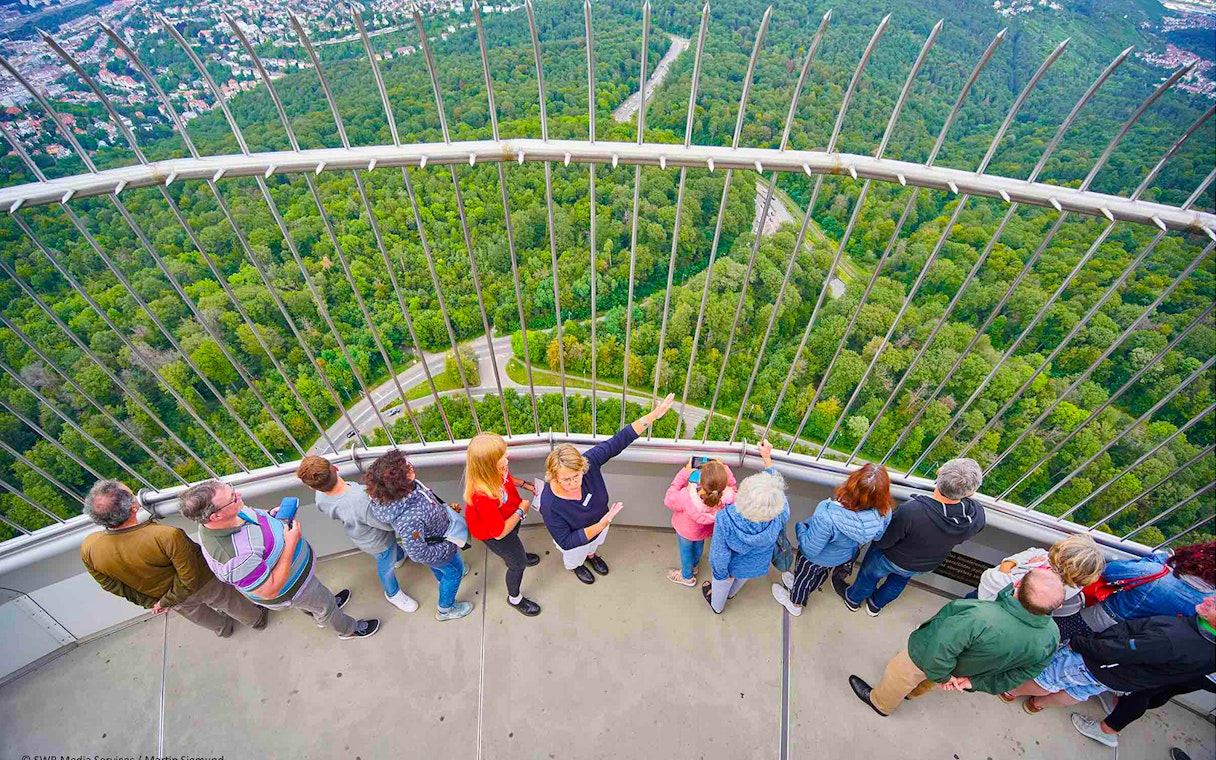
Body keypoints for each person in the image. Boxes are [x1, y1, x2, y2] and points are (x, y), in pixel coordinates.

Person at [1005, 596, 1216, 749]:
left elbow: (1119, 651)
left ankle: (1011, 691)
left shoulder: (1174, 640)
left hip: (1097, 663)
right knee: (1077, 693)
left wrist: (1079, 644)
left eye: (1215, 603)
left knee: (1048, 680)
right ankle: (1036, 705)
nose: (1208, 599)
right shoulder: (1208, 648)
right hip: (1120, 678)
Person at [849, 568, 1064, 717]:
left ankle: (881, 703)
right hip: (963, 674)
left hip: (924, 658)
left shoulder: (979, 615)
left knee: (898, 676)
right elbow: (1024, 673)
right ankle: (910, 695)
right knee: (926, 683)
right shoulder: (1051, 636)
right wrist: (973, 682)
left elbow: (938, 651)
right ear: (1057, 606)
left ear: (1017, 584)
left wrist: (944, 676)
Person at [179, 480, 379, 640]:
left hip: (299, 580)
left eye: (232, 490)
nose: (238, 496)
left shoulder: (228, 514)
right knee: (324, 605)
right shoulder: (233, 557)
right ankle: (347, 629)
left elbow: (254, 523)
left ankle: (320, 608)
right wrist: (291, 544)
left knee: (317, 601)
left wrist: (272, 516)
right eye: (232, 498)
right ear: (216, 516)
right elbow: (270, 589)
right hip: (292, 589)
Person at [80, 480, 268, 638]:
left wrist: (156, 602)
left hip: (164, 596)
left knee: (198, 615)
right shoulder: (165, 536)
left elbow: (112, 586)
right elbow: (189, 577)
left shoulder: (89, 547)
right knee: (227, 600)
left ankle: (223, 629)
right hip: (202, 582)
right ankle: (256, 619)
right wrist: (167, 600)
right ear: (134, 507)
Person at [539, 393, 675, 584]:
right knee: (576, 556)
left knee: (594, 545)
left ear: (582, 467)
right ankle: (578, 565)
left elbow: (619, 440)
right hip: (580, 540)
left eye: (577, 475)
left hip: (602, 522)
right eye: (566, 480)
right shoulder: (550, 503)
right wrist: (602, 524)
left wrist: (653, 416)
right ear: (554, 476)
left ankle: (592, 556)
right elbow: (566, 541)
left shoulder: (589, 462)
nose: (573, 483)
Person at [834, 457, 985, 616]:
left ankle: (853, 599)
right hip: (925, 564)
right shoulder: (975, 515)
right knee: (898, 582)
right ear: (971, 493)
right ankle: (874, 606)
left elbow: (884, 540)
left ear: (939, 474)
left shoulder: (912, 511)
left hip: (891, 558)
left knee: (869, 576)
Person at [296, 455, 418, 614]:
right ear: (335, 469)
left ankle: (400, 557)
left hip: (362, 537)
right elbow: (383, 523)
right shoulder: (361, 496)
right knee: (385, 566)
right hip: (379, 541)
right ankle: (393, 593)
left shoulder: (320, 498)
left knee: (391, 552)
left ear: (312, 487)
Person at [772, 463, 893, 617]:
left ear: (853, 483)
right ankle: (802, 586)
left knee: (804, 576)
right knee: (819, 575)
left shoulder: (827, 513)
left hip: (814, 558)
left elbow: (810, 549)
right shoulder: (885, 511)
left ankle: (795, 603)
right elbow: (878, 536)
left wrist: (800, 528)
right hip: (840, 556)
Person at [366, 450, 474, 621]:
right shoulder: (409, 518)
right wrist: (449, 545)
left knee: (445, 570)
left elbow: (427, 503)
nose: (410, 467)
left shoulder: (409, 488)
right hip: (442, 548)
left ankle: (442, 577)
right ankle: (446, 609)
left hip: (440, 539)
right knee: (454, 573)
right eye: (406, 468)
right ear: (399, 483)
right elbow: (419, 553)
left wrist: (445, 510)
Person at [1055, 541, 1215, 640]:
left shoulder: (1153, 573)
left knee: (1060, 630)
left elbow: (1109, 571)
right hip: (1137, 636)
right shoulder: (1209, 602)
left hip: (1104, 618)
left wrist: (1165, 560)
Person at [703, 440, 789, 614]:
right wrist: (768, 460)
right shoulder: (780, 512)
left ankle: (717, 606)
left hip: (731, 565)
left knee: (722, 586)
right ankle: (732, 594)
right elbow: (775, 492)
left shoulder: (725, 518)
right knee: (739, 580)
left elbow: (720, 554)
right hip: (755, 563)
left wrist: (722, 575)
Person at [463, 433, 542, 616]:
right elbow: (499, 533)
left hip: (509, 516)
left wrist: (524, 485)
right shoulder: (481, 496)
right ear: (489, 465)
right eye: (503, 457)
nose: (507, 459)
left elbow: (507, 478)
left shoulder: (497, 471)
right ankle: (515, 598)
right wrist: (522, 510)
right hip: (495, 532)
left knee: (515, 539)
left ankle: (516, 555)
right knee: (518, 564)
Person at [975, 534, 1105, 634]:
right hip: (995, 600)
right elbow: (1034, 552)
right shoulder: (1049, 562)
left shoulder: (1057, 588)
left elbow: (992, 578)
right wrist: (1011, 564)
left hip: (990, 605)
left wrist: (1006, 569)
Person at [663, 456, 736, 587]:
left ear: (700, 481)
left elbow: (669, 499)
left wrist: (684, 473)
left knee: (686, 553)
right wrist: (723, 469)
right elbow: (733, 487)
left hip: (685, 530)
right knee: (698, 547)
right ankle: (695, 567)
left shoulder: (686, 496)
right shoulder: (728, 497)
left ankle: (687, 577)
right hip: (703, 531)